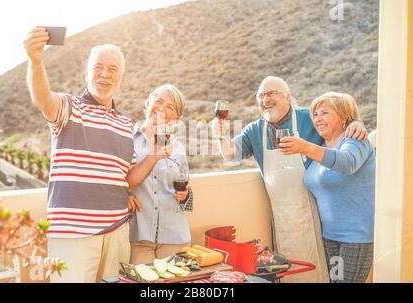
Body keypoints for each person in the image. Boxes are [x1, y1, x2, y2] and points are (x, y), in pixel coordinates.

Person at [213, 76, 367, 282]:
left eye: (271, 93)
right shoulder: (254, 130)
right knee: (289, 271)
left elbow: (334, 119)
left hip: (315, 213)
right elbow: (231, 154)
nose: (265, 99)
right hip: (281, 216)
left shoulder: (307, 117)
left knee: (322, 272)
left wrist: (356, 123)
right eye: (260, 96)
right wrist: (220, 135)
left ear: (287, 97)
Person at [23, 27, 136, 282]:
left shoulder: (126, 123)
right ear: (86, 73)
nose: (105, 74)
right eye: (98, 67)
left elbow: (127, 175)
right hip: (72, 236)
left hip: (117, 232)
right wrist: (36, 61)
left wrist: (154, 158)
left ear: (122, 78)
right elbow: (42, 98)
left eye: (113, 69)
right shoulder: (69, 107)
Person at [279, 92, 375, 283]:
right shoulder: (321, 146)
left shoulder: (355, 141)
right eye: (315, 114)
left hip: (355, 236)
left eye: (325, 113)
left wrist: (306, 147)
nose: (318, 119)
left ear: (344, 117)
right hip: (329, 236)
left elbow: (347, 163)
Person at [126, 84, 193, 264]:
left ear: (176, 117)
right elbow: (115, 179)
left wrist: (185, 194)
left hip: (174, 237)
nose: (162, 108)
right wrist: (124, 193)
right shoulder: (127, 140)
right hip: (138, 236)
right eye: (159, 101)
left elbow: (187, 189)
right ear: (149, 102)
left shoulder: (177, 148)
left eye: (170, 107)